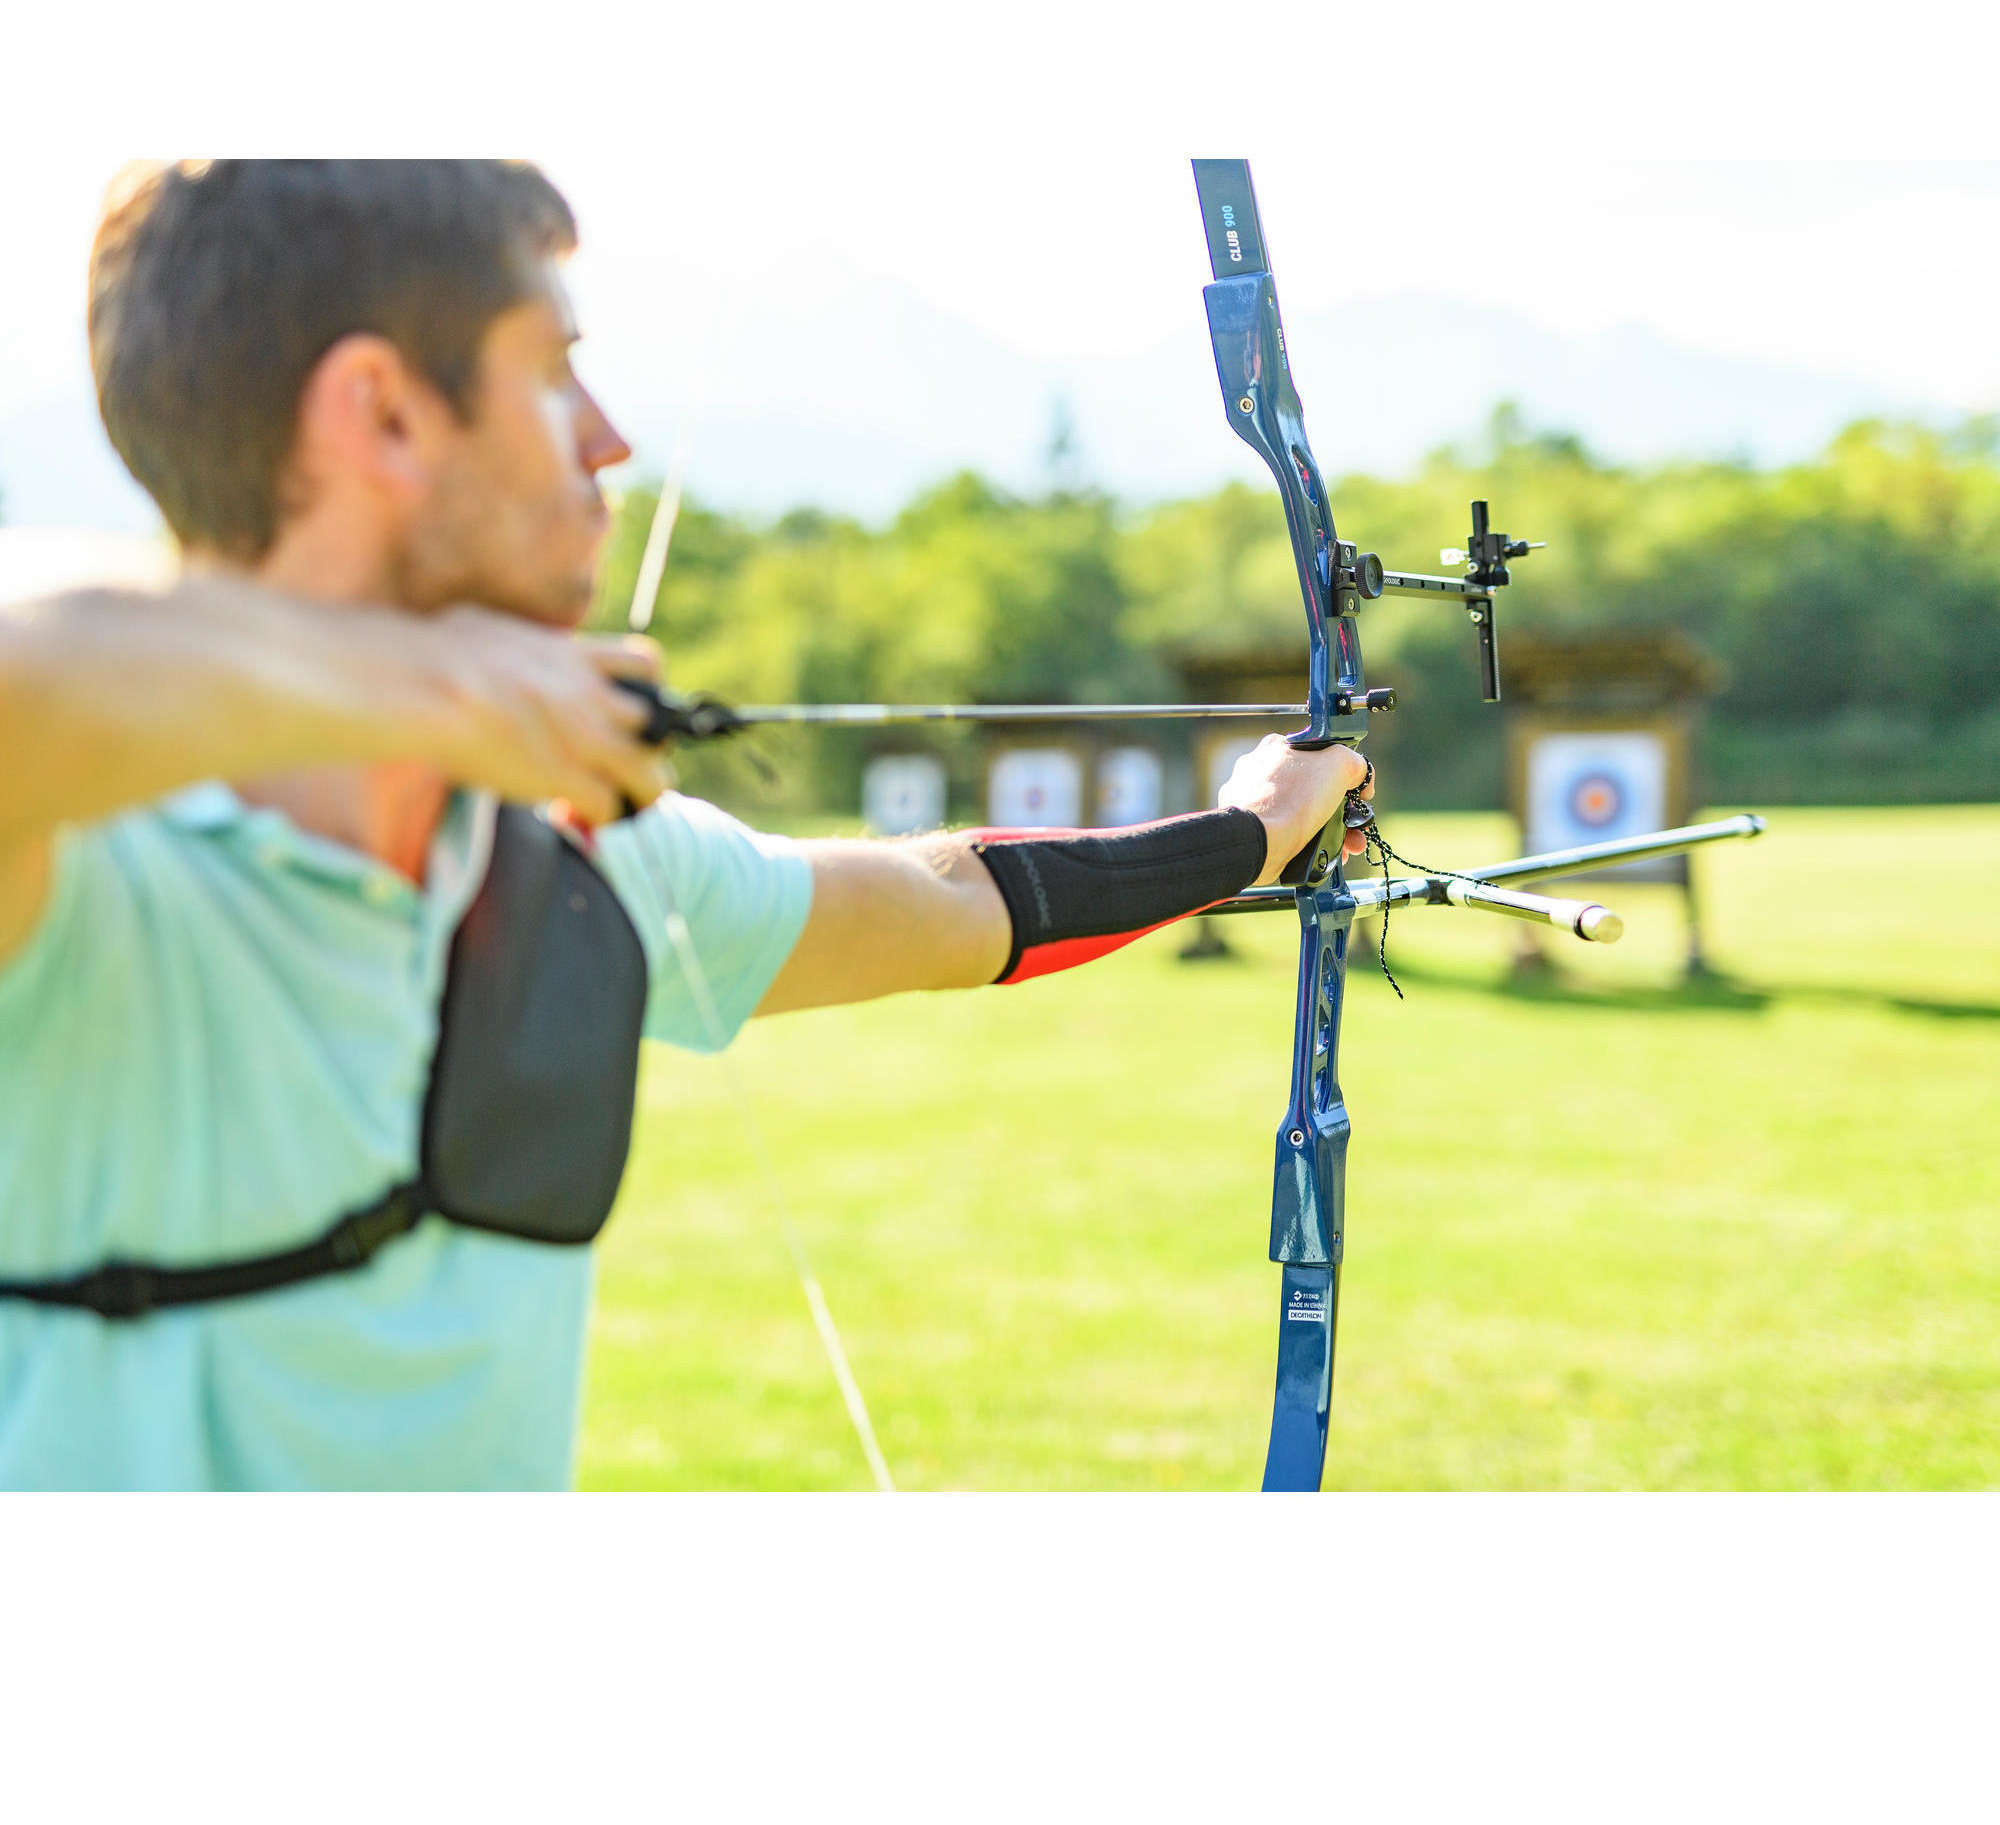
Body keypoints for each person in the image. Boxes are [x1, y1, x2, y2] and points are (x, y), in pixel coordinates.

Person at [0, 161, 1369, 1490]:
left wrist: (1253, 827)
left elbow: (961, 906)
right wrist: (430, 689)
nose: (606, 435)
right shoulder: (84, 873)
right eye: (551, 370)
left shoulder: (580, 858)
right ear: (387, 415)